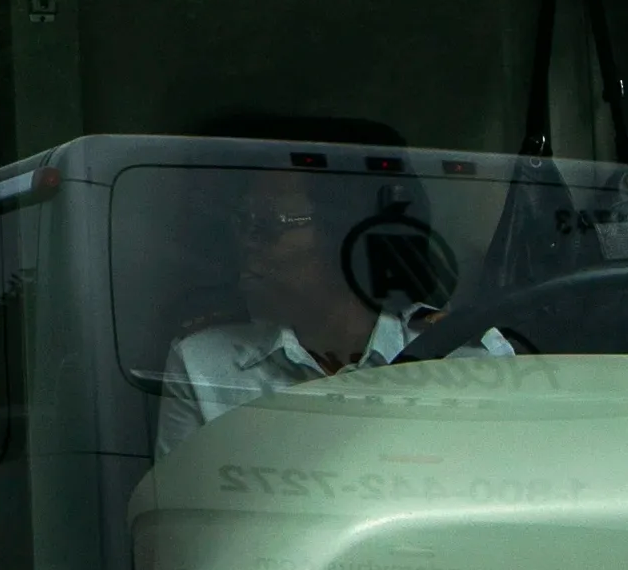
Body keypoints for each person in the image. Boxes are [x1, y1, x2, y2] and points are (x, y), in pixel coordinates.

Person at [151, 177, 513, 449]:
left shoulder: (463, 356)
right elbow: (182, 524)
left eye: (267, 223)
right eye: (241, 223)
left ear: (343, 235)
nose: (246, 243)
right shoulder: (204, 364)